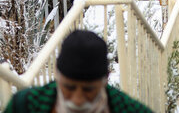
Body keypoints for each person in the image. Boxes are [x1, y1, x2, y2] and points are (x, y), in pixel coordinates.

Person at [4, 30, 152, 112]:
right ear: (57, 74)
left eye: (89, 89)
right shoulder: (24, 106)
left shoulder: (131, 110)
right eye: (69, 87)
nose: (78, 99)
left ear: (105, 79)